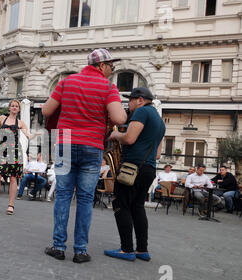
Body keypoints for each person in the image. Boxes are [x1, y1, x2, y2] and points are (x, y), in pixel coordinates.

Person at [42, 48, 127, 263]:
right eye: (110, 66)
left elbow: (46, 111)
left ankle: (58, 247)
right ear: (101, 66)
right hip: (92, 145)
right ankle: (80, 250)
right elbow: (119, 117)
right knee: (85, 198)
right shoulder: (108, 86)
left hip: (66, 142)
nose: (111, 70)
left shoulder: (66, 82)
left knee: (62, 195)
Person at [104, 87, 165, 262]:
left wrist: (115, 134)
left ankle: (126, 249)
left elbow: (129, 138)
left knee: (120, 203)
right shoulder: (160, 121)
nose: (128, 103)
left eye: (130, 100)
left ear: (140, 100)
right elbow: (158, 154)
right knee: (137, 207)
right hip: (149, 169)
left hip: (132, 167)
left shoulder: (142, 112)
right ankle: (142, 250)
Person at [0, 99, 39, 215]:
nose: (14, 107)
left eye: (17, 106)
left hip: (15, 151)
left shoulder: (20, 123)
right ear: (9, 108)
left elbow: (28, 135)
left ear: (19, 109)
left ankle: (11, 205)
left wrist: (35, 134)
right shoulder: (2, 118)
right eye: (12, 106)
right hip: (3, 150)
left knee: (13, 178)